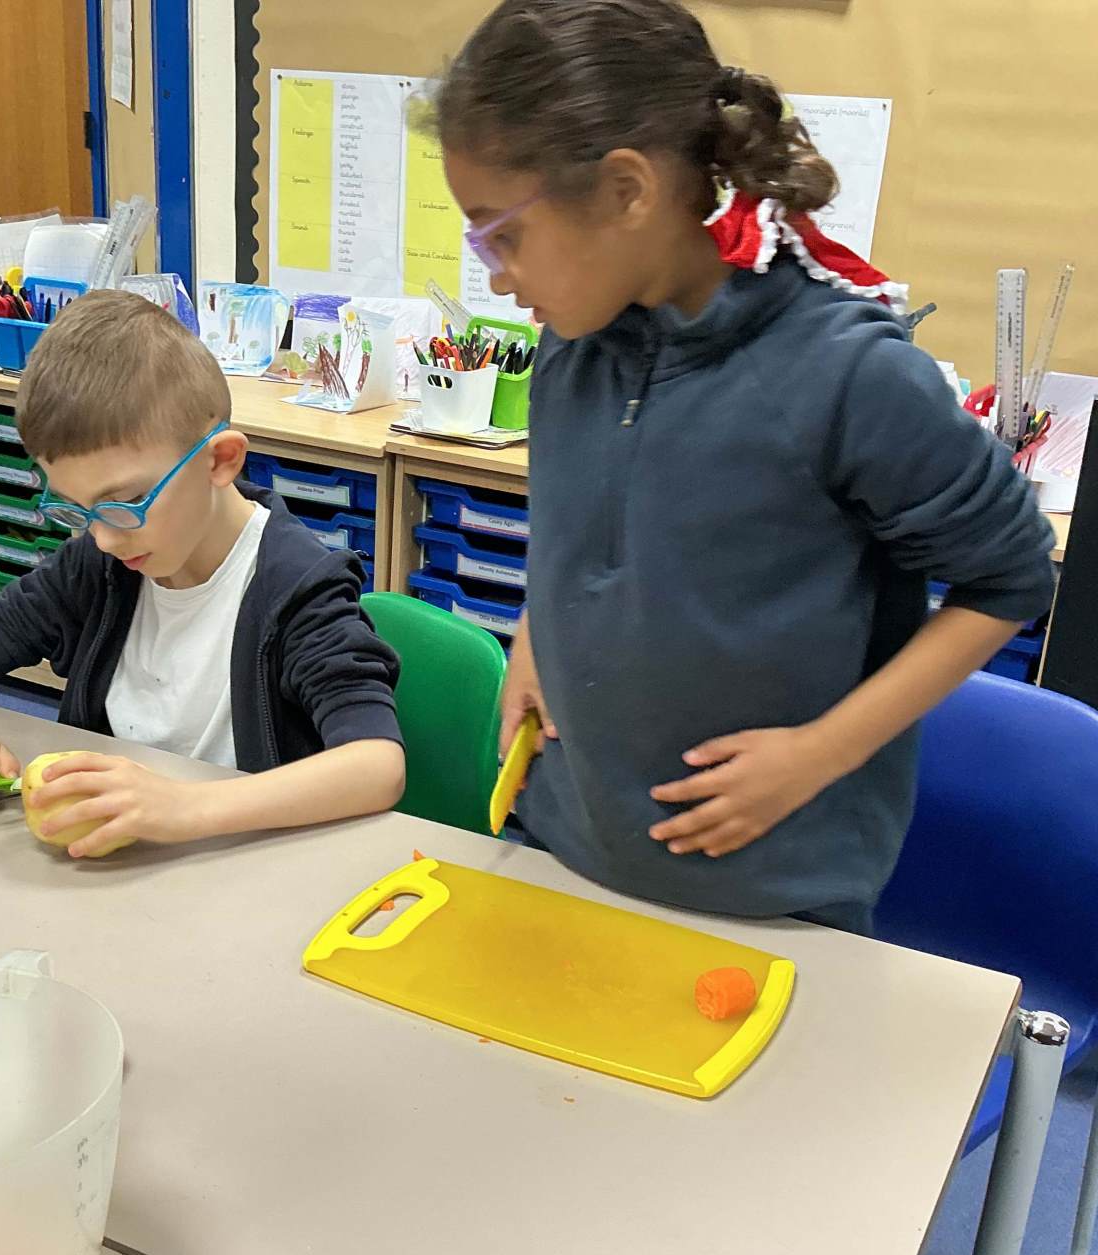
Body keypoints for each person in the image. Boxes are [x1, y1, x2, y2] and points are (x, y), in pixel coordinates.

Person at [429, 0, 1057, 933]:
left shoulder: (846, 373)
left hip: (767, 890)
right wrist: (534, 631)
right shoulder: (574, 341)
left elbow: (1012, 578)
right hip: (570, 840)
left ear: (627, 191)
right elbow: (585, 525)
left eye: (502, 235)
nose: (495, 275)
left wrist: (820, 754)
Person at [0, 291, 406, 854]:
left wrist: (182, 807)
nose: (103, 536)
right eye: (79, 509)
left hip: (246, 862)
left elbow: (377, 764)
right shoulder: (101, 565)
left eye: (126, 502)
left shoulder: (297, 585)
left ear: (220, 460)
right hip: (123, 863)